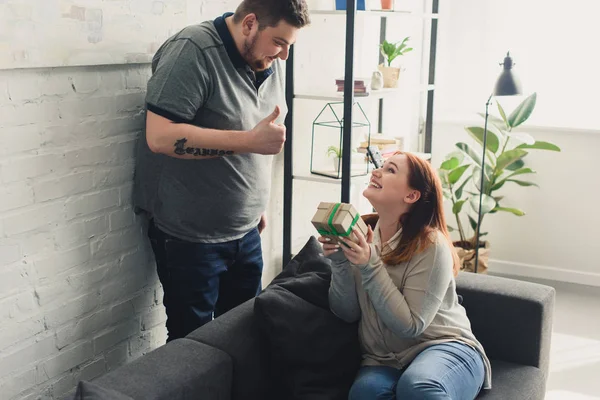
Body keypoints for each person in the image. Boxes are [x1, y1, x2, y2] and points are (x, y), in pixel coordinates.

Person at [133, 0, 310, 342]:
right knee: (192, 347)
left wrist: (255, 202)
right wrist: (248, 141)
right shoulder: (193, 50)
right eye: (279, 42)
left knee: (243, 337)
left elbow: (264, 135)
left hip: (245, 232)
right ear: (249, 24)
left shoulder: (269, 58)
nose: (284, 54)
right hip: (190, 237)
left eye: (289, 46)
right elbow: (160, 136)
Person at [320, 152, 492, 399]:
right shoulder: (362, 236)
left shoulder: (431, 245)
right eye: (380, 168)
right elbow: (347, 313)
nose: (376, 172)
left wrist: (370, 265)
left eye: (390, 170)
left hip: (443, 345)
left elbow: (411, 326)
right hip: (383, 360)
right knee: (364, 394)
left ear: (411, 195)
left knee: (418, 386)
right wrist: (339, 263)